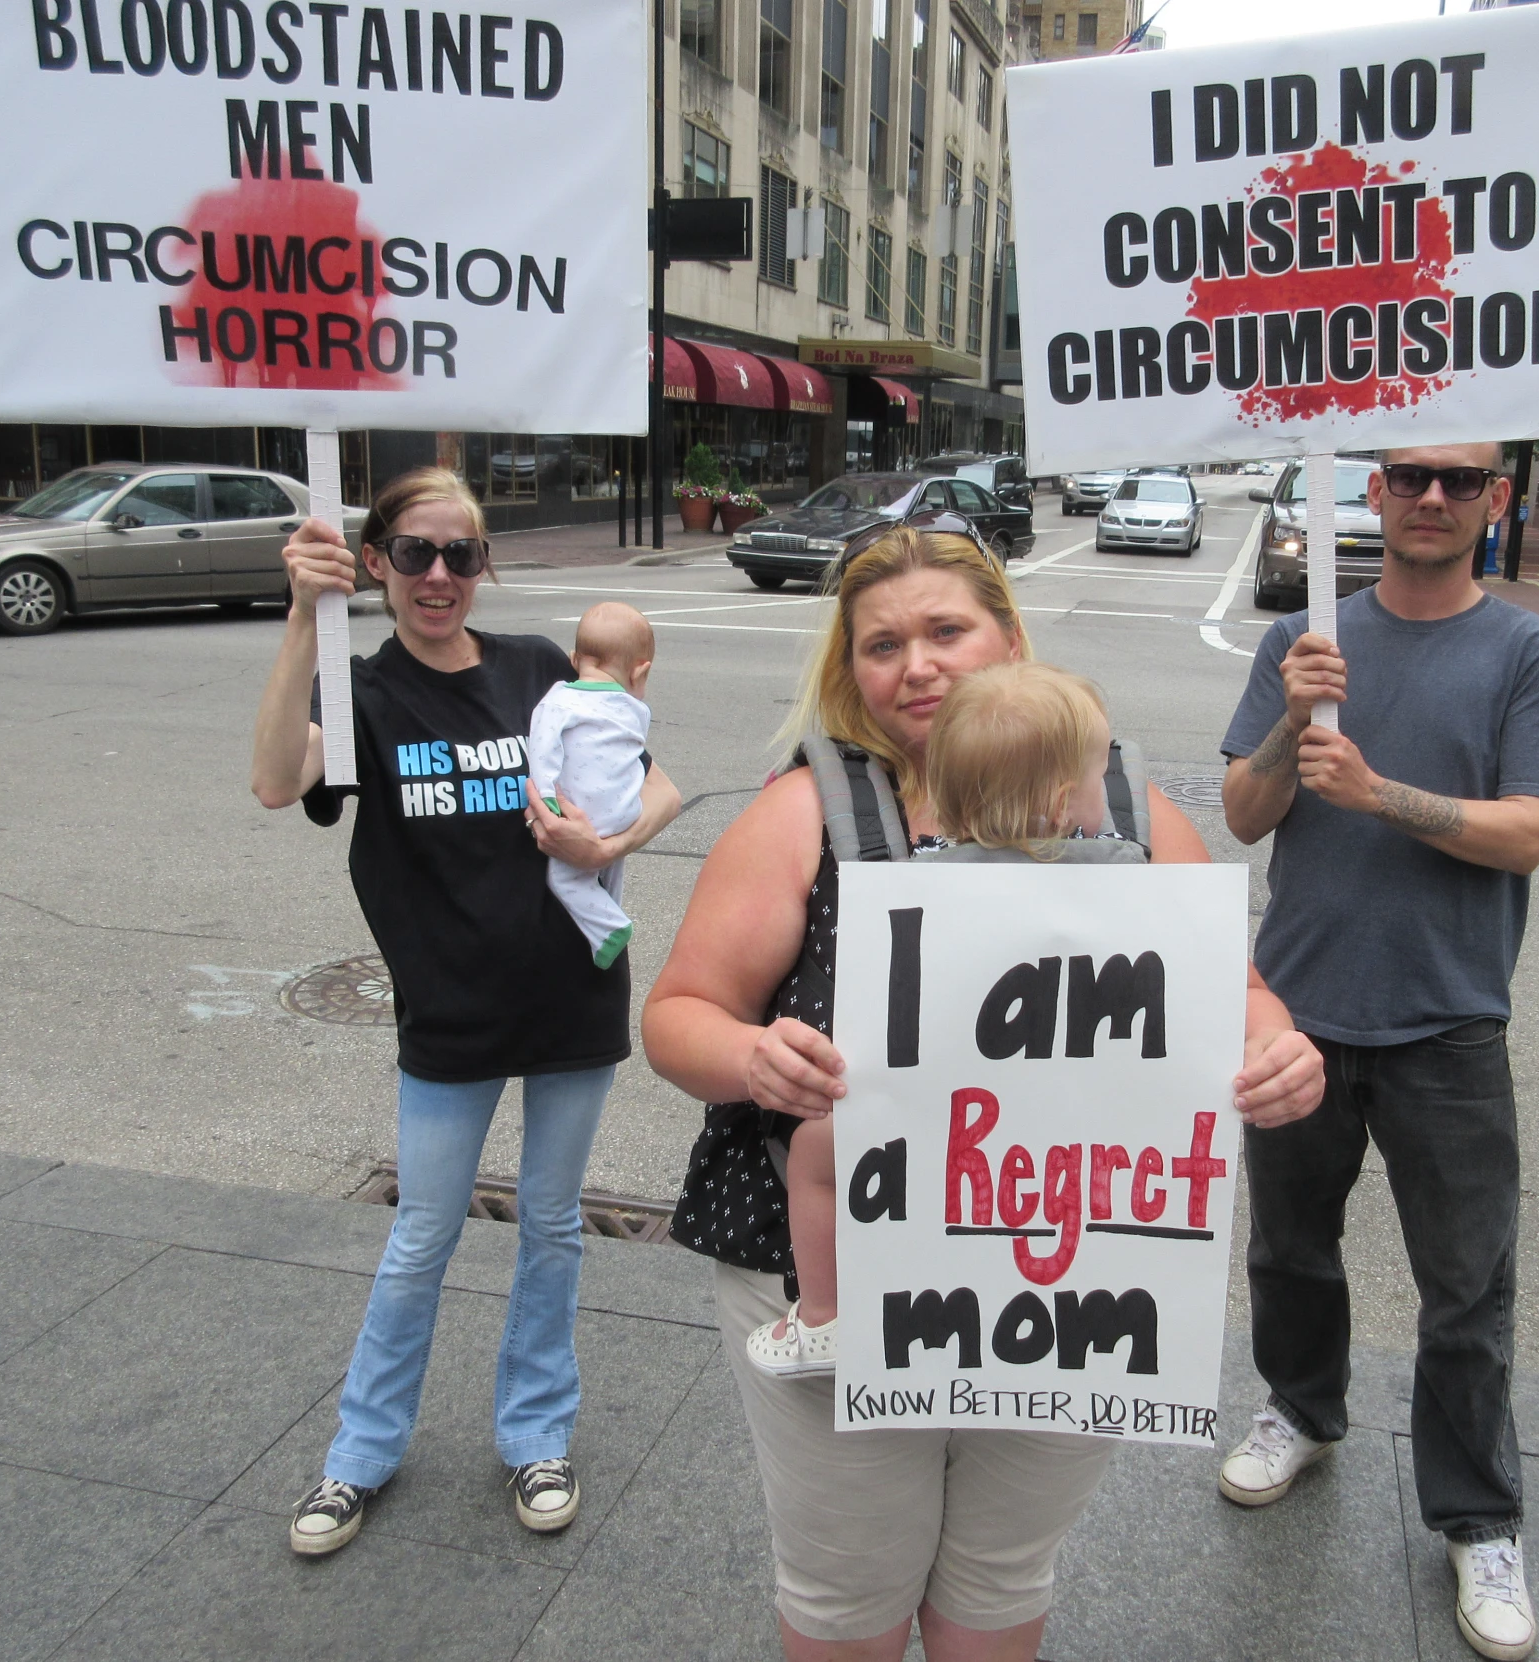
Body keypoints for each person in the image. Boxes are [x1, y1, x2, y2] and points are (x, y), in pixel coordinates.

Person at [643, 518, 1326, 1662]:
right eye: (879, 644)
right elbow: (675, 1017)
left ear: (1007, 637)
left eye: (944, 630)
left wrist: (1277, 1048)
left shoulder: (1116, 804)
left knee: (1001, 1583)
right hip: (838, 1291)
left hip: (1069, 1286)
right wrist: (752, 1057)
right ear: (846, 669)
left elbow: (1231, 987)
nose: (915, 664)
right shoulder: (807, 810)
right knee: (845, 1602)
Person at [248, 467, 682, 1557]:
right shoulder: (361, 697)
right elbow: (271, 780)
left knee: (549, 1230)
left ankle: (536, 1434)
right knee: (421, 1238)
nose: (438, 576)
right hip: (448, 1016)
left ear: (484, 567)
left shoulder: (542, 668)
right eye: (414, 555)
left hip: (571, 995)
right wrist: (303, 614)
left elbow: (659, 784)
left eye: (461, 556)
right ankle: (358, 1455)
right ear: (378, 563)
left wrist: (610, 844)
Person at [1217, 444, 1539, 1662]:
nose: (1433, 497)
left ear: (1497, 503)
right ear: (1368, 495)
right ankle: (1299, 1412)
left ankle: (1478, 1517)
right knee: (1287, 1253)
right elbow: (1242, 812)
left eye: (1461, 482)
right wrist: (1287, 722)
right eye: (1410, 475)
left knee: (1466, 1295)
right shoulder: (1300, 644)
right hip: (1301, 1014)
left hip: (1448, 1024)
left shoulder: (1526, 653)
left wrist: (1379, 794)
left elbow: (1526, 833)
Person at [742, 661, 1147, 1380]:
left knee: (815, 1157)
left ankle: (827, 1319)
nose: (1108, 797)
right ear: (1062, 805)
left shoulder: (916, 879)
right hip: (1073, 1124)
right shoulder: (1134, 877)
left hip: (937, 1119)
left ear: (952, 806)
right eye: (1097, 783)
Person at [527, 602, 657, 969]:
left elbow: (542, 749)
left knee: (565, 878)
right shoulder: (634, 710)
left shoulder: (560, 700)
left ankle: (608, 928)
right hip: (626, 810)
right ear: (640, 672)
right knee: (609, 864)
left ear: (573, 658)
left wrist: (548, 798)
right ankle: (610, 909)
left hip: (585, 812)